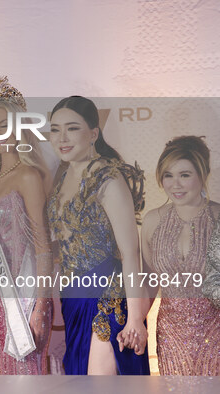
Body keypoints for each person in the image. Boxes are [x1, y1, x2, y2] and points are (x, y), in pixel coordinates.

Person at [47, 96, 150, 375]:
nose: (62, 137)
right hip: (72, 300)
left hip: (108, 301)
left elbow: (131, 253)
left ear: (93, 133)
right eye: (55, 129)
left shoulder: (108, 178)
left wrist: (136, 318)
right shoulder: (63, 175)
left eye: (72, 128)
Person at [0, 77, 53, 374]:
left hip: (26, 295)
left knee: (27, 378)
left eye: (4, 125)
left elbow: (44, 248)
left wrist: (40, 306)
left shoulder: (29, 176)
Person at [141, 135, 220, 375]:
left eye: (185, 175)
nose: (175, 184)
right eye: (168, 175)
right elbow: (149, 283)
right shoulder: (152, 221)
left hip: (215, 329)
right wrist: (131, 321)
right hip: (170, 332)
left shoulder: (218, 217)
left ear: (203, 174)